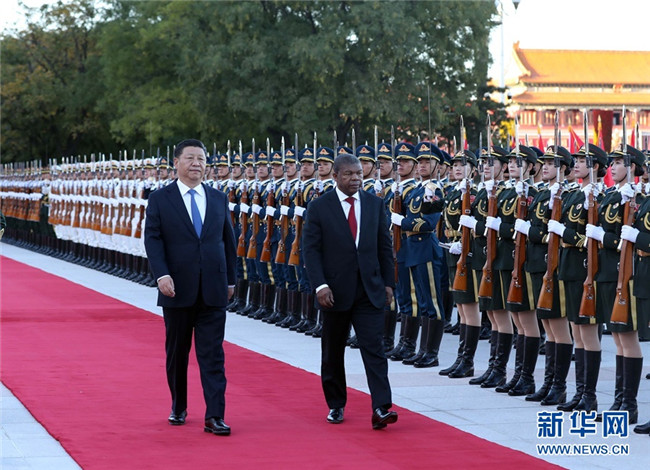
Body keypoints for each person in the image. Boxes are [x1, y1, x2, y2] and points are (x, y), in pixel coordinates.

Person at [144, 138, 237, 436]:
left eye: (201, 159)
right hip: (176, 288)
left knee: (213, 355)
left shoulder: (218, 198)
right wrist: (161, 275)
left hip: (213, 288)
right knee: (177, 353)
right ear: (176, 162)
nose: (196, 164)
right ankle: (179, 405)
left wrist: (231, 279)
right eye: (190, 158)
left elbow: (228, 241)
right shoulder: (161, 199)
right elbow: (153, 240)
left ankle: (215, 415)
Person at [302, 153, 398, 430]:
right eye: (349, 174)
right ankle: (336, 404)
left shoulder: (375, 204)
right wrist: (320, 285)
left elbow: (384, 247)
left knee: (374, 348)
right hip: (334, 293)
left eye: (358, 173)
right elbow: (311, 250)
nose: (356, 178)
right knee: (333, 352)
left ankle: (381, 407)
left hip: (369, 290)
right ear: (335, 176)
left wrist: (388, 283)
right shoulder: (319, 207)